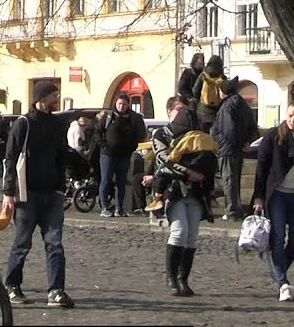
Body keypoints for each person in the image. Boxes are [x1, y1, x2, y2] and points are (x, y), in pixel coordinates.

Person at [2, 81, 73, 308]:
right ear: (41, 98)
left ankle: (56, 290)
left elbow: (62, 156)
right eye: (54, 95)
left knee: (55, 243)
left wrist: (61, 188)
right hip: (27, 193)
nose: (57, 98)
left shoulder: (57, 123)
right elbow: (10, 158)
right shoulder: (24, 123)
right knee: (22, 242)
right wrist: (9, 192)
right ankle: (12, 286)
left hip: (52, 193)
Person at [143, 97, 216, 296]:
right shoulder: (161, 134)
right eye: (178, 109)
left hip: (196, 191)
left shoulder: (197, 134)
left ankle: (183, 279)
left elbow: (208, 156)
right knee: (179, 230)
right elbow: (164, 162)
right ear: (170, 112)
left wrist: (202, 172)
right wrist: (190, 173)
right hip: (173, 190)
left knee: (192, 235)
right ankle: (171, 278)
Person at [252, 105, 294, 302]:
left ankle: (278, 270)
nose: (292, 119)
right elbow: (262, 167)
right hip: (277, 194)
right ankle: (283, 282)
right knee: (277, 237)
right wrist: (258, 196)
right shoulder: (274, 136)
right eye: (290, 115)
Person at [211, 77, 258, 220]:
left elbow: (228, 129)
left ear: (224, 92)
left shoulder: (227, 106)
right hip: (238, 148)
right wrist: (247, 141)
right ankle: (235, 209)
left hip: (227, 148)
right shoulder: (243, 104)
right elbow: (252, 127)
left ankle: (232, 211)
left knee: (229, 180)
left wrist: (218, 137)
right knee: (234, 179)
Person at [97, 92, 146, 217]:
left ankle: (119, 208)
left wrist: (132, 146)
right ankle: (105, 207)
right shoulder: (108, 116)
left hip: (124, 155)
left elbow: (140, 135)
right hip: (107, 154)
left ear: (128, 104)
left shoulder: (133, 118)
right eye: (119, 103)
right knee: (106, 180)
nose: (121, 106)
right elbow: (97, 132)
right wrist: (104, 144)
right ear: (115, 103)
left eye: (124, 104)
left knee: (121, 181)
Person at [193, 54, 226, 132]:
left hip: (203, 112)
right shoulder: (222, 77)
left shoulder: (203, 75)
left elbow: (195, 90)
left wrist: (201, 99)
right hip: (217, 112)